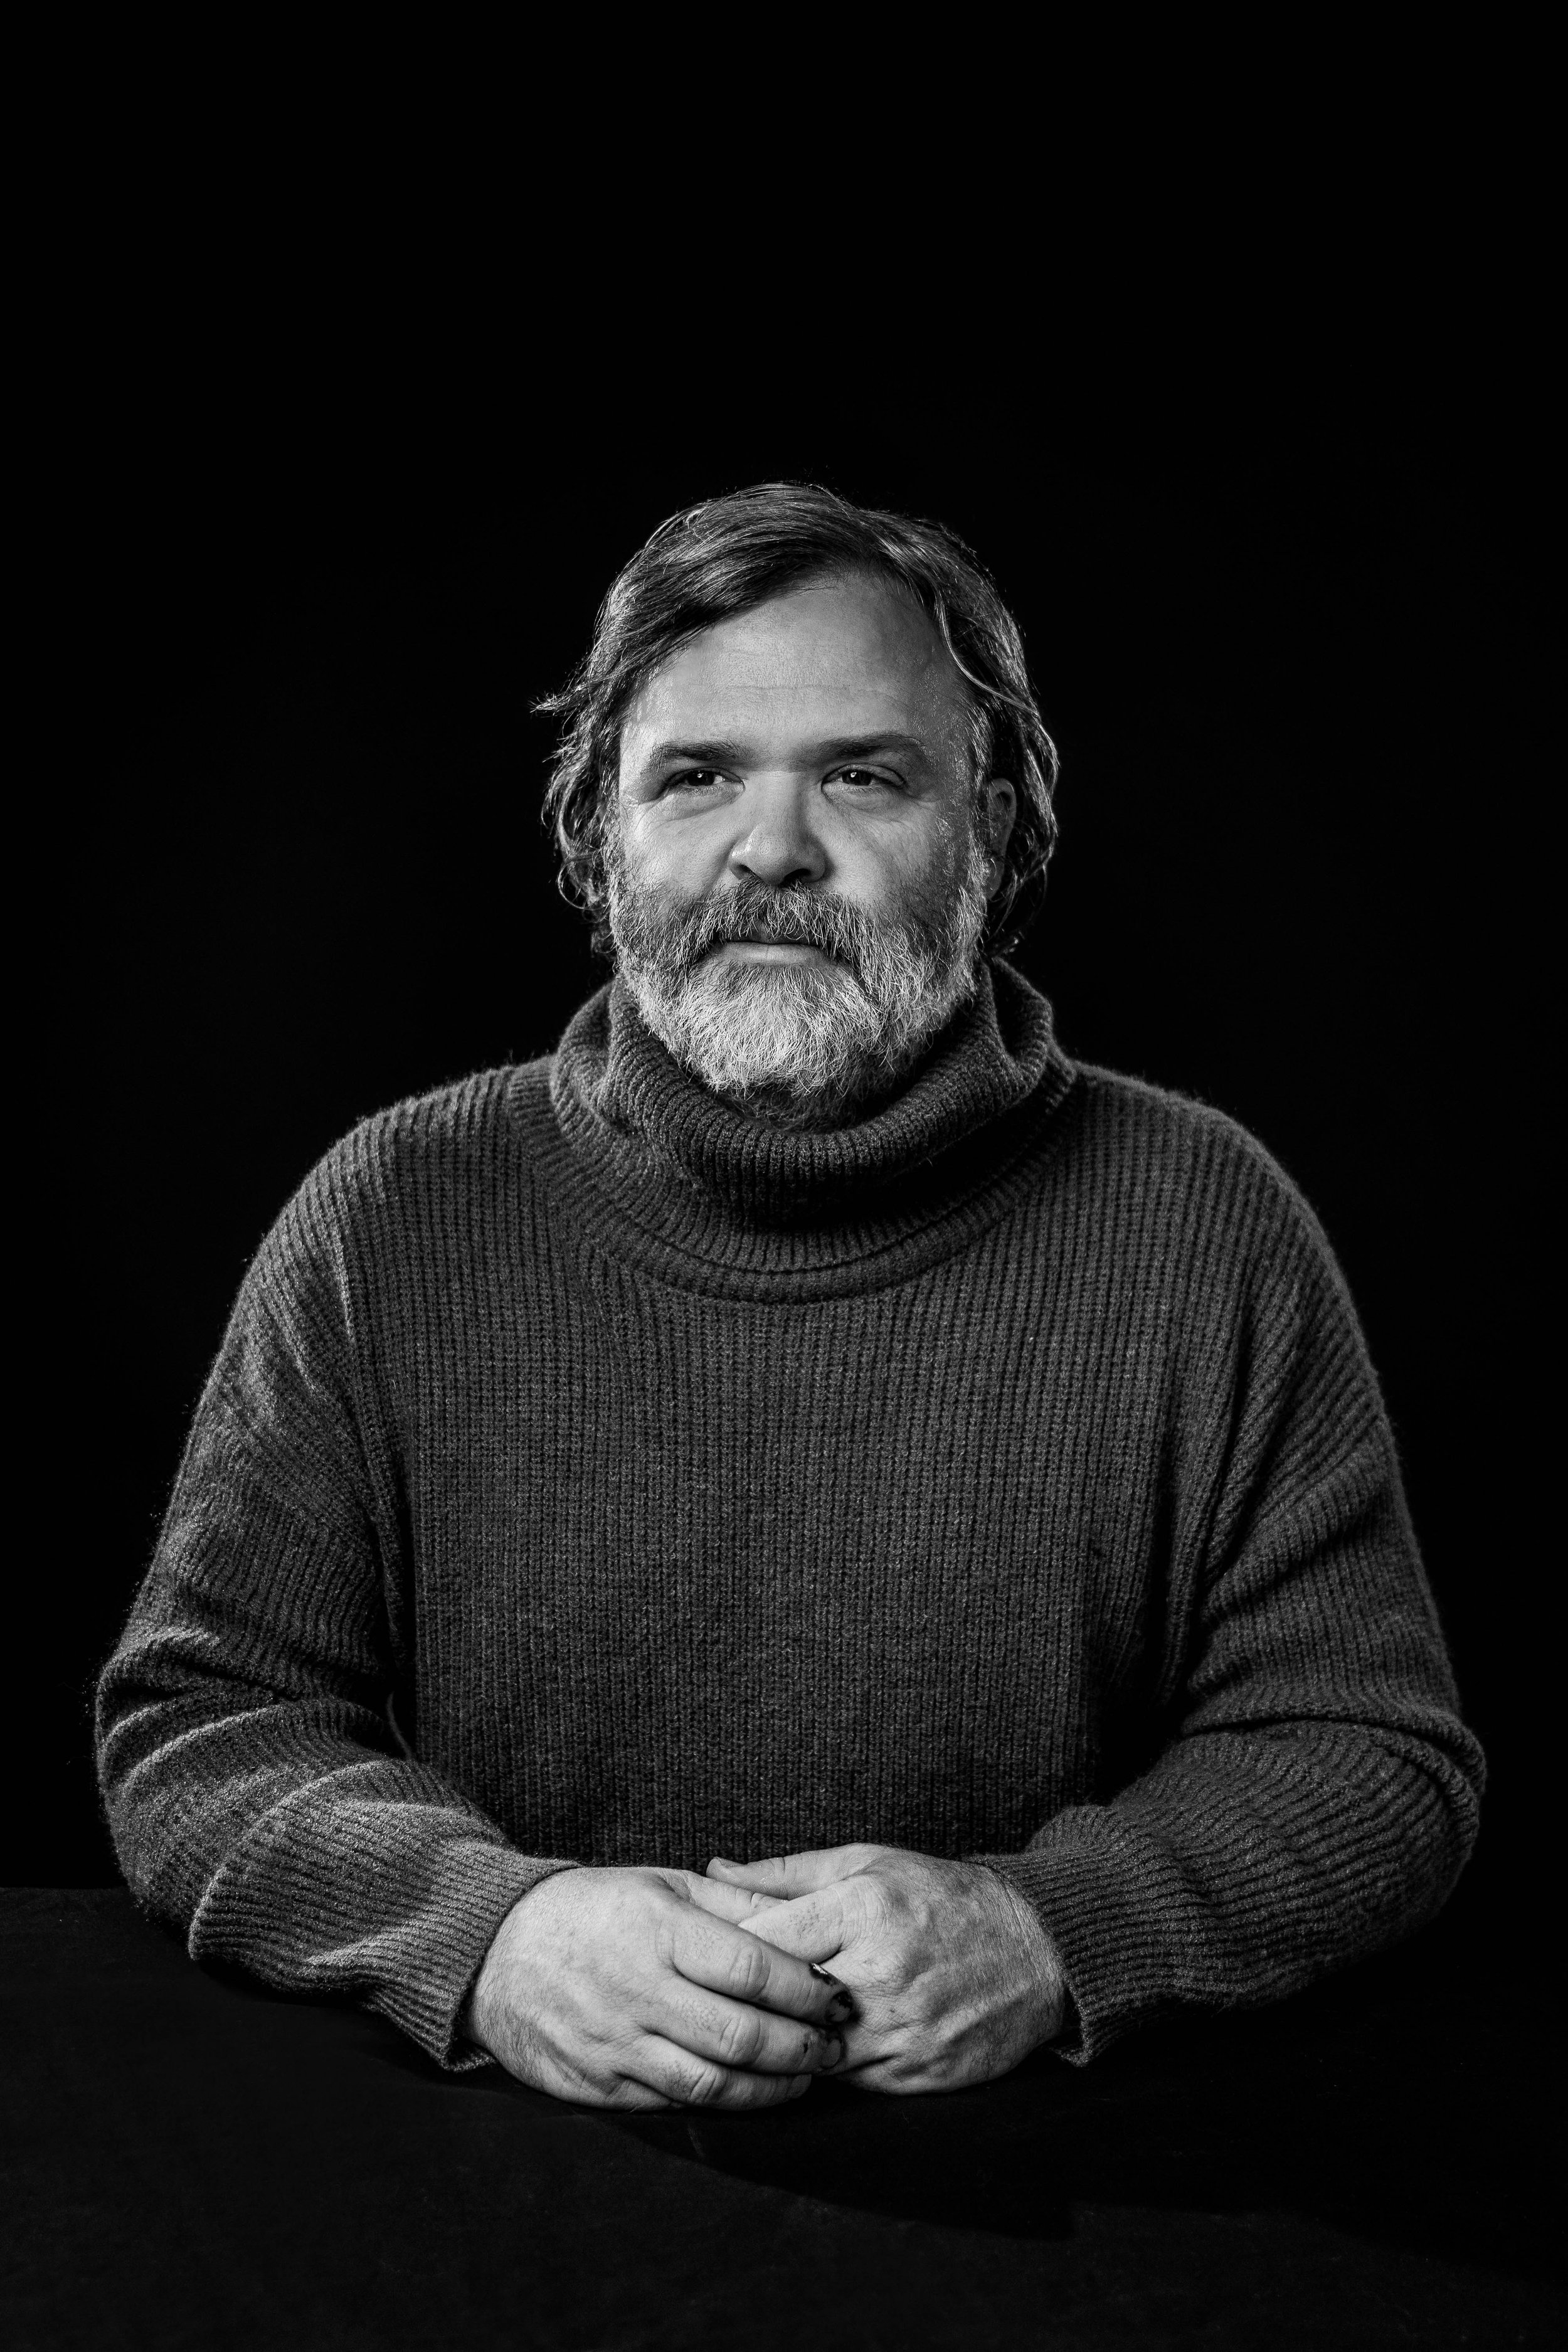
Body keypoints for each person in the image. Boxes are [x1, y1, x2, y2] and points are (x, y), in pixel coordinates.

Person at [95, 483, 1484, 2114]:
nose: (772, 848)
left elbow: (1370, 1760)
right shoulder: (390, 1216)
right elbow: (203, 1732)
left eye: (862, 775)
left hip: (1078, 2207)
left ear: (998, 833)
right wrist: (493, 1935)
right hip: (498, 2209)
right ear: (597, 840)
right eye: (694, 778)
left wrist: (1048, 1932)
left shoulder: (1204, 1222)